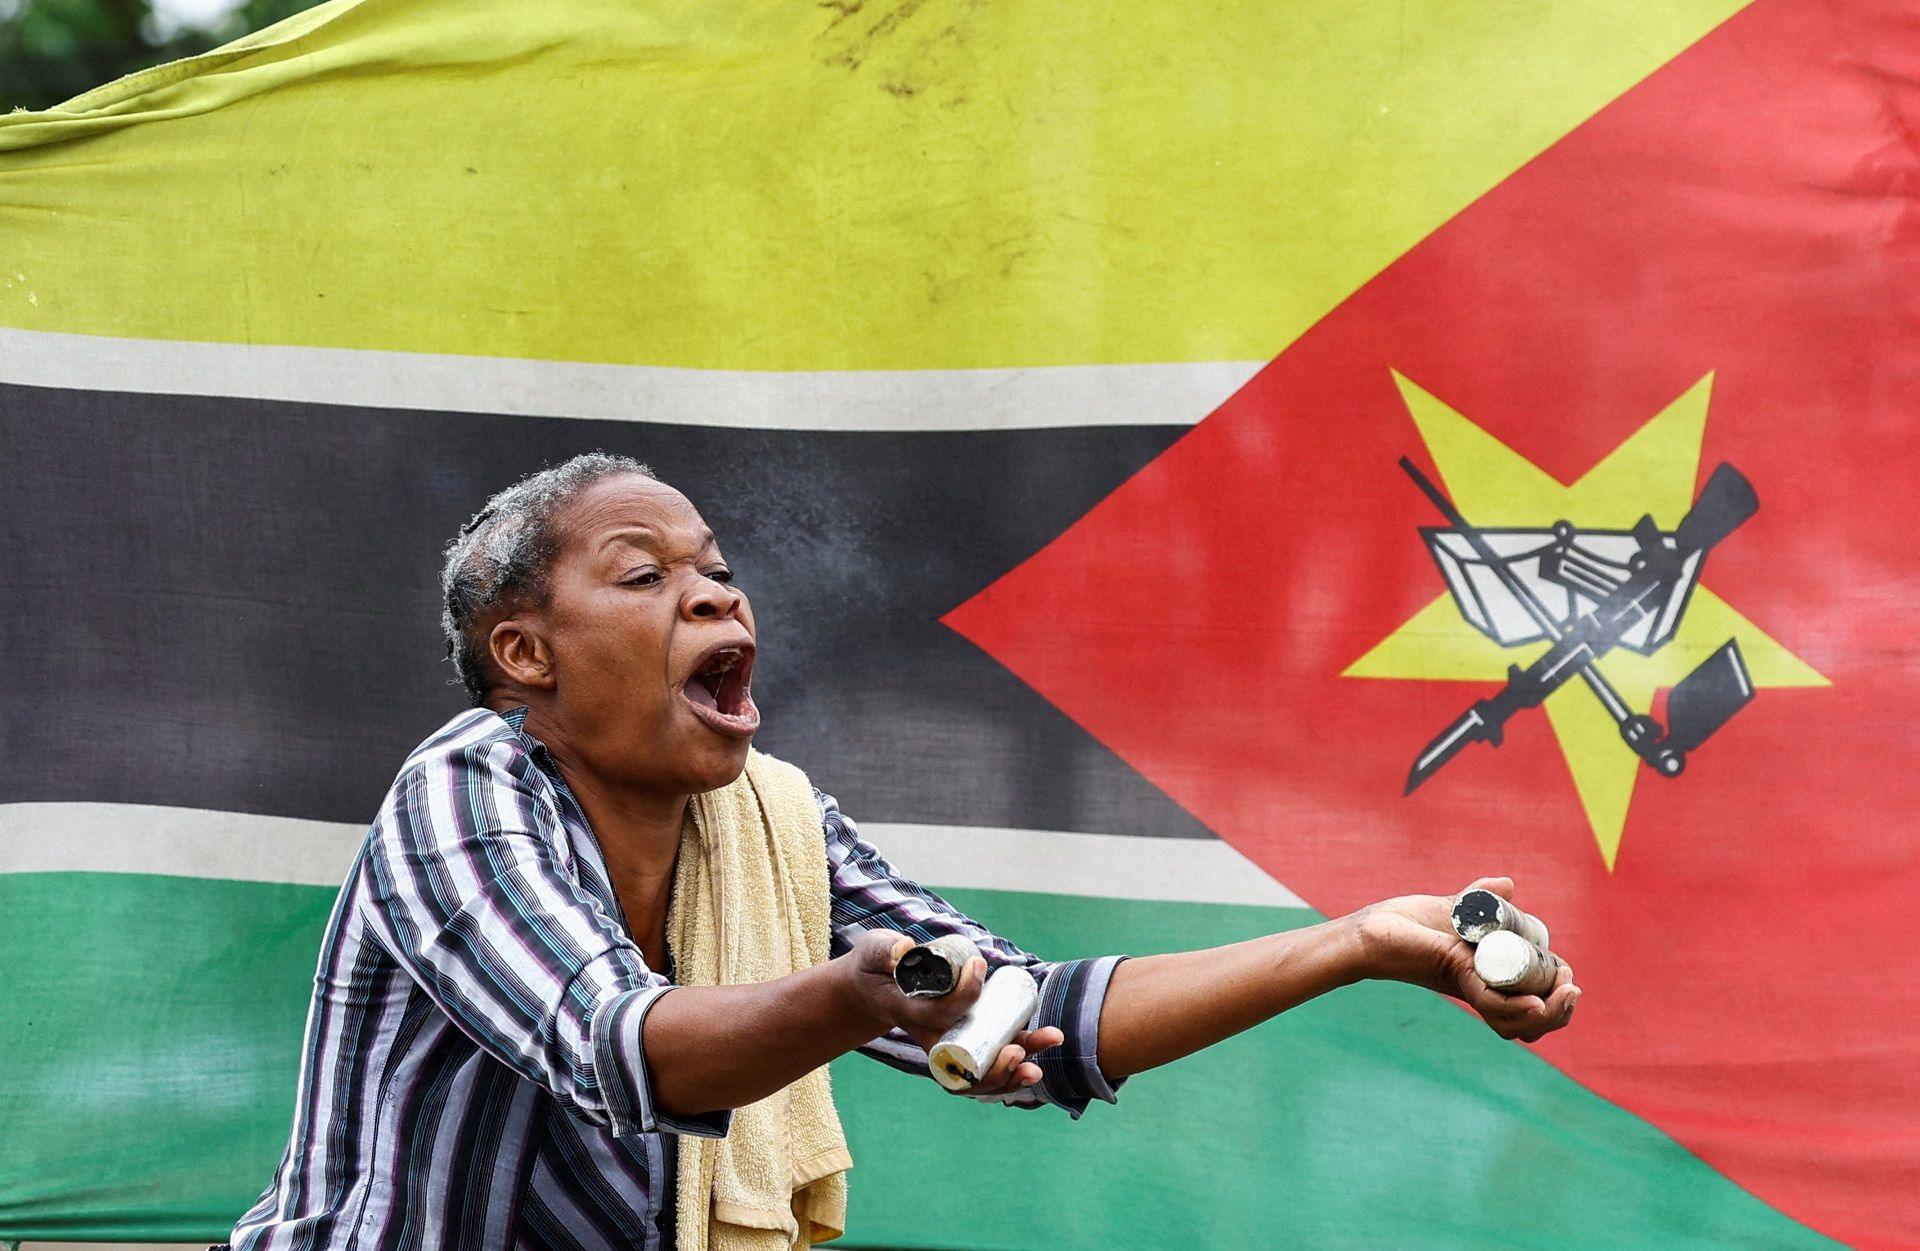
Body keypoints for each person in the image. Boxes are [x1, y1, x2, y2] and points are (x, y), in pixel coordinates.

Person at [228, 453, 1578, 1251]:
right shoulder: (463, 794)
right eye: (643, 578)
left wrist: (1355, 946)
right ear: (526, 657)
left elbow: (1031, 1017)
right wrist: (864, 992)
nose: (711, 591)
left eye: (715, 568)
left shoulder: (769, 820)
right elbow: (625, 1053)